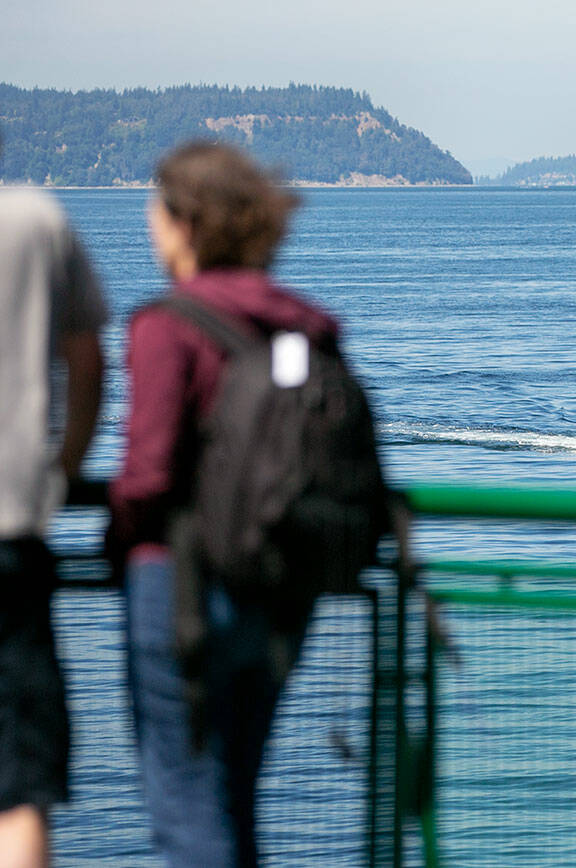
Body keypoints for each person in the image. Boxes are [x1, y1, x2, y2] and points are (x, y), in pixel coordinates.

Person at [108, 141, 337, 867]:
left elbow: (145, 476)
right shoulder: (303, 325)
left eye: (155, 208)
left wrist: (113, 543)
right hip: (281, 592)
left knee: (185, 810)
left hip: (181, 588)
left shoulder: (167, 325)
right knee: (236, 801)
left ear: (185, 223)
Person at [0, 184, 106, 867]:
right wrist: (61, 469)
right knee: (19, 791)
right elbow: (89, 361)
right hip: (10, 534)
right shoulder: (35, 219)